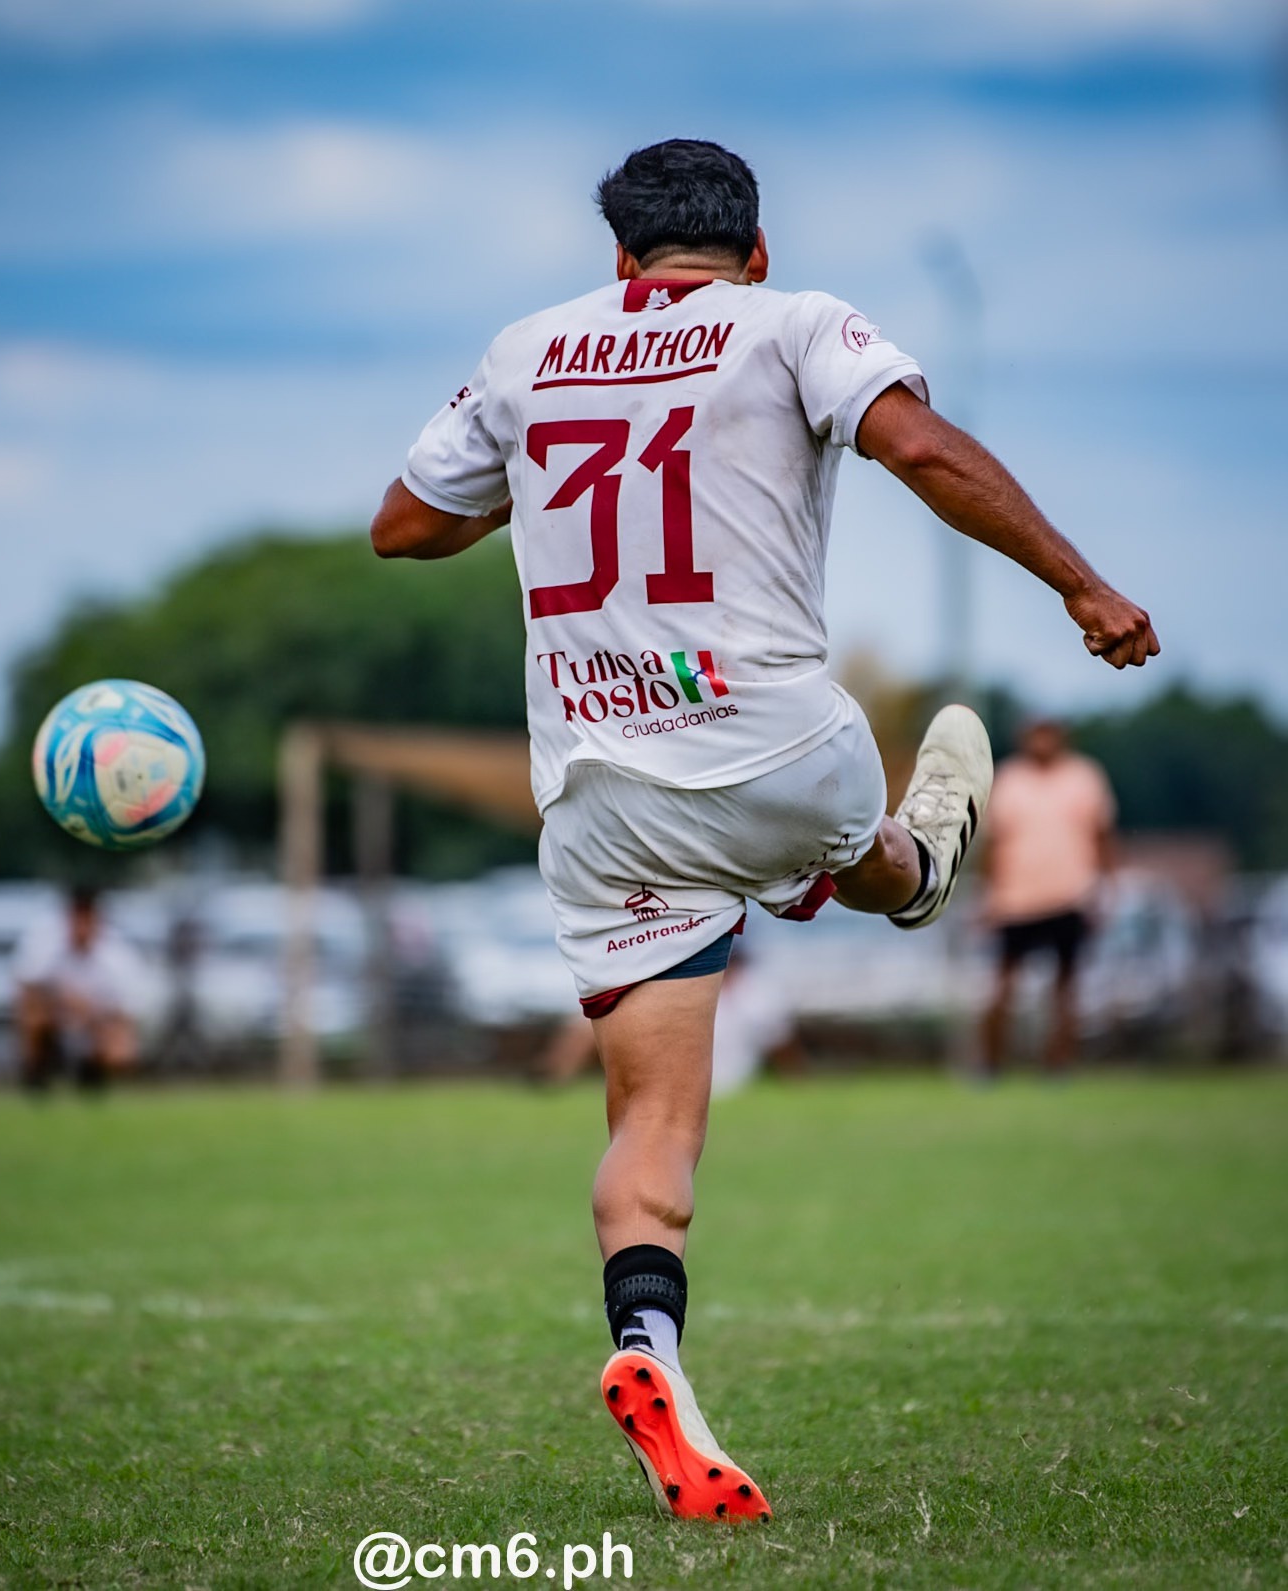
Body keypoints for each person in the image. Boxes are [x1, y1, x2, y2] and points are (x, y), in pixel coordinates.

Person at [370, 138, 1157, 1521]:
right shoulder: (797, 322)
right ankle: (902, 862)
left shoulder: (523, 349)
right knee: (882, 872)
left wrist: (535, 480)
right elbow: (915, 443)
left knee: (650, 1119)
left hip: (598, 790)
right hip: (777, 743)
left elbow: (399, 527)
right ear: (757, 248)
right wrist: (1079, 585)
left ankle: (646, 1343)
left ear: (617, 257)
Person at [979, 718, 1117, 1074]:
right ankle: (990, 1065)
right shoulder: (1008, 779)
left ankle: (1058, 1065)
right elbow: (992, 844)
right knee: (1003, 988)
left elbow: (1102, 836)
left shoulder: (1085, 777)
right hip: (1015, 899)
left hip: (1069, 895)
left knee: (1066, 989)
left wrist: (1107, 888)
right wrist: (988, 894)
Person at [14, 885, 143, 1091]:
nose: (81, 927)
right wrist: (67, 1002)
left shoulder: (117, 954)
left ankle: (92, 1072)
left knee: (120, 1048)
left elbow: (125, 1013)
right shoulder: (45, 941)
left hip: (96, 1022)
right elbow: (26, 988)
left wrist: (92, 1017)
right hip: (56, 1016)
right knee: (32, 1014)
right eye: (77, 919)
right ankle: (37, 1072)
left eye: (87, 919)